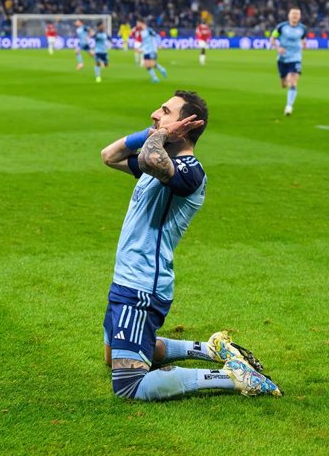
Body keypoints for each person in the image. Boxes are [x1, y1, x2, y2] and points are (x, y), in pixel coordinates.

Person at [100, 90, 282, 401]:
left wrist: (160, 136)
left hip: (142, 286)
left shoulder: (189, 172)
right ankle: (209, 349)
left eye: (165, 111)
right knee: (111, 357)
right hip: (126, 279)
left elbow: (148, 157)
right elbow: (109, 155)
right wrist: (153, 132)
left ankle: (230, 377)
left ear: (185, 124)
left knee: (129, 385)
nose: (155, 113)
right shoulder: (160, 160)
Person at [269, 8, 306, 116]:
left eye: (297, 14)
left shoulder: (302, 28)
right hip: (282, 58)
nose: (295, 15)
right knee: (284, 83)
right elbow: (272, 38)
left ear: (300, 16)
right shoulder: (281, 27)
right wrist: (277, 47)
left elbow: (303, 39)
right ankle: (283, 80)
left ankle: (289, 106)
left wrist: (304, 44)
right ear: (289, 15)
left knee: (293, 80)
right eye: (293, 13)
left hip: (296, 58)